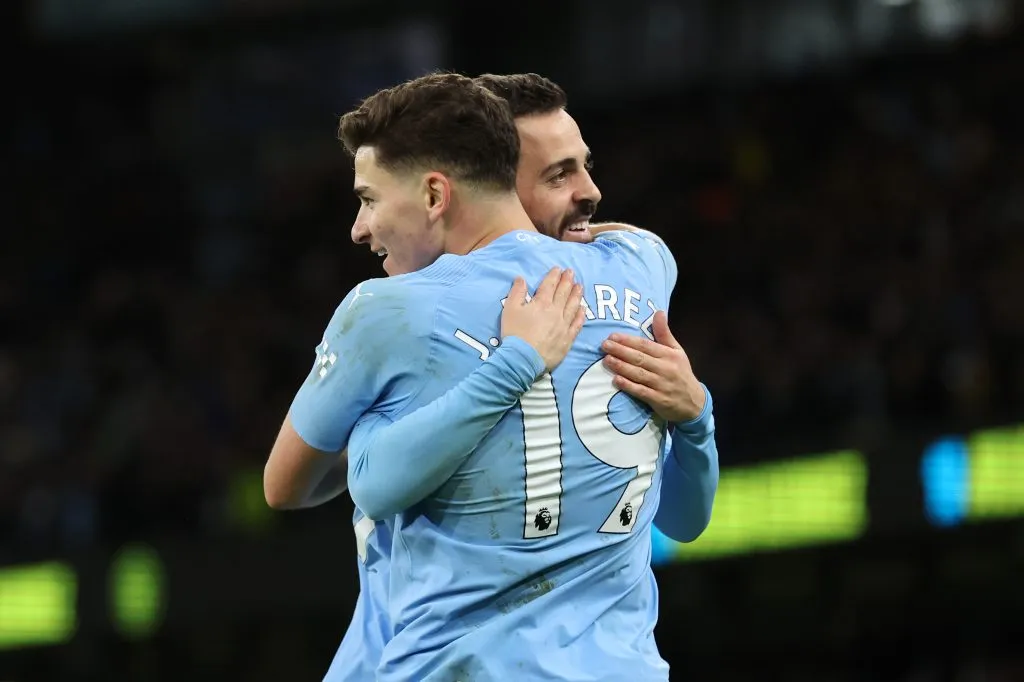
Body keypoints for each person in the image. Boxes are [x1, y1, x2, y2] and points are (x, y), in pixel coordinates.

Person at [264, 73, 720, 680]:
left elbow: (303, 486)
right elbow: (687, 522)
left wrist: (511, 367)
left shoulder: (391, 313)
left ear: (439, 192)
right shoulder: (643, 275)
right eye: (558, 175)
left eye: (369, 199)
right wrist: (698, 416)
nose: (589, 194)